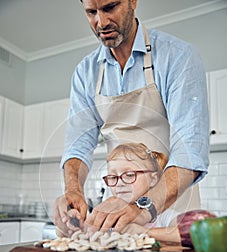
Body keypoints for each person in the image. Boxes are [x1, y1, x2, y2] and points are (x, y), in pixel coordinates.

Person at [54, 0, 209, 236]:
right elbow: (78, 144)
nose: (101, 22)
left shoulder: (177, 56)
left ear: (133, 1)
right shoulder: (85, 73)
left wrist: (142, 208)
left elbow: (190, 149)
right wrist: (73, 190)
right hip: (116, 203)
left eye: (110, 7)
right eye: (91, 12)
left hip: (173, 201)